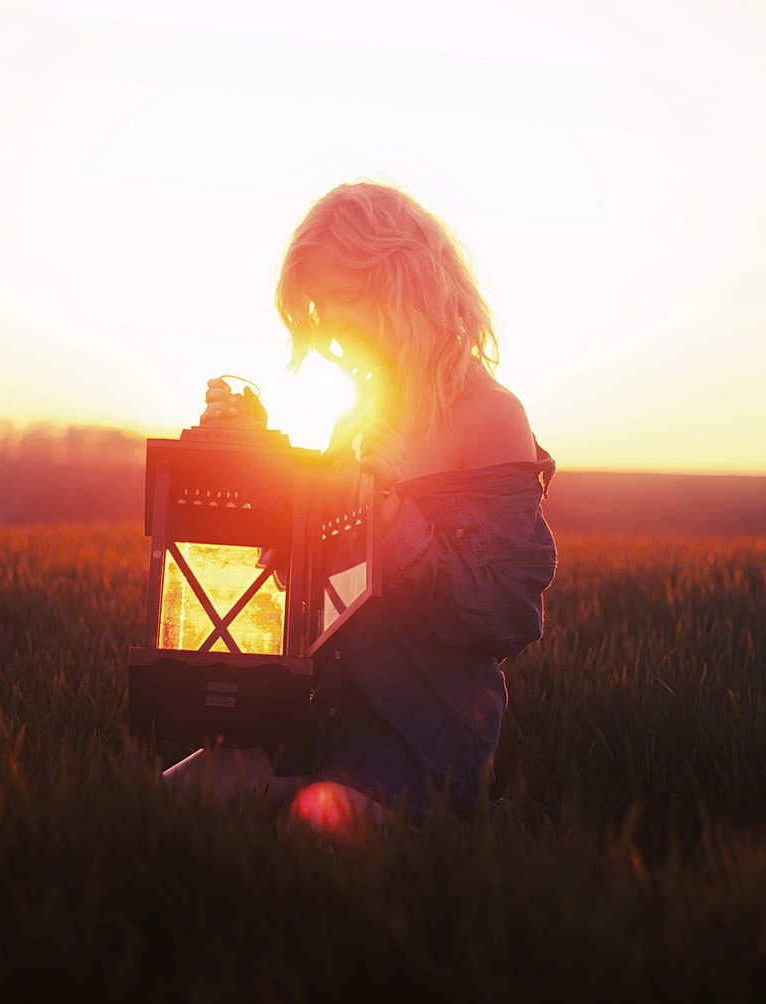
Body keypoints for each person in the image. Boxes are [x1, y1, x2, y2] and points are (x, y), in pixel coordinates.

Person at [163, 181, 557, 838]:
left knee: (310, 836)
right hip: (314, 720)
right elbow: (319, 589)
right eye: (315, 307)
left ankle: (445, 831)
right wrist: (249, 465)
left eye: (338, 298)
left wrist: (398, 508)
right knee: (168, 800)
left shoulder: (491, 415)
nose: (326, 325)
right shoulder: (359, 416)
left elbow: (506, 612)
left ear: (399, 279)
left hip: (414, 743)